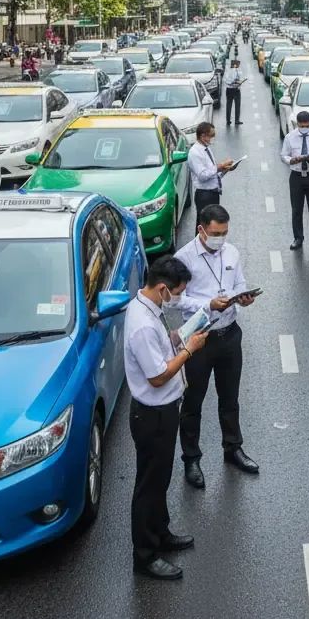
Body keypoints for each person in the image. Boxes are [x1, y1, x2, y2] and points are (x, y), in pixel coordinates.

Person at [125, 256, 208, 581]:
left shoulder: (150, 310)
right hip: (152, 415)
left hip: (162, 412)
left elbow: (160, 350)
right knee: (149, 485)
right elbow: (158, 375)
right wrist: (189, 349)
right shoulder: (143, 325)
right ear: (162, 288)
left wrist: (176, 338)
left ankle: (161, 533)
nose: (177, 298)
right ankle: (145, 556)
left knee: (161, 479)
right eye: (177, 292)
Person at [171, 204, 260, 488]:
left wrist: (243, 298)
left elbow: (239, 283)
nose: (220, 238)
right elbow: (173, 300)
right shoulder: (183, 258)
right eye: (215, 233)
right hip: (199, 340)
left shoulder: (232, 252)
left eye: (224, 233)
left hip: (230, 334)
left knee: (230, 398)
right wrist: (207, 303)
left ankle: (233, 448)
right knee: (193, 402)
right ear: (201, 229)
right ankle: (191, 459)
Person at [280, 110, 309, 251]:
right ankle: (298, 238)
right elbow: (283, 155)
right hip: (296, 177)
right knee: (297, 210)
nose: (305, 128)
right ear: (298, 124)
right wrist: (292, 160)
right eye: (302, 126)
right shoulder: (290, 137)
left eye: (307, 126)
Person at [187, 122, 234, 232]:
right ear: (203, 136)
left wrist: (225, 170)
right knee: (203, 228)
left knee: (212, 227)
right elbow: (203, 175)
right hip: (204, 195)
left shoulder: (206, 149)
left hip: (213, 193)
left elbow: (213, 174)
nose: (212, 138)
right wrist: (220, 165)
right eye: (211, 135)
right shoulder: (195, 153)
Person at [223, 59, 244, 126]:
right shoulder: (236, 70)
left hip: (229, 90)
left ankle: (228, 120)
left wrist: (230, 83)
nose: (238, 66)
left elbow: (225, 80)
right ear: (235, 65)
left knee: (228, 105)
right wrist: (236, 82)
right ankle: (237, 120)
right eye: (238, 64)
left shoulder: (227, 71)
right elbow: (237, 79)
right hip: (235, 90)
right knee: (237, 105)